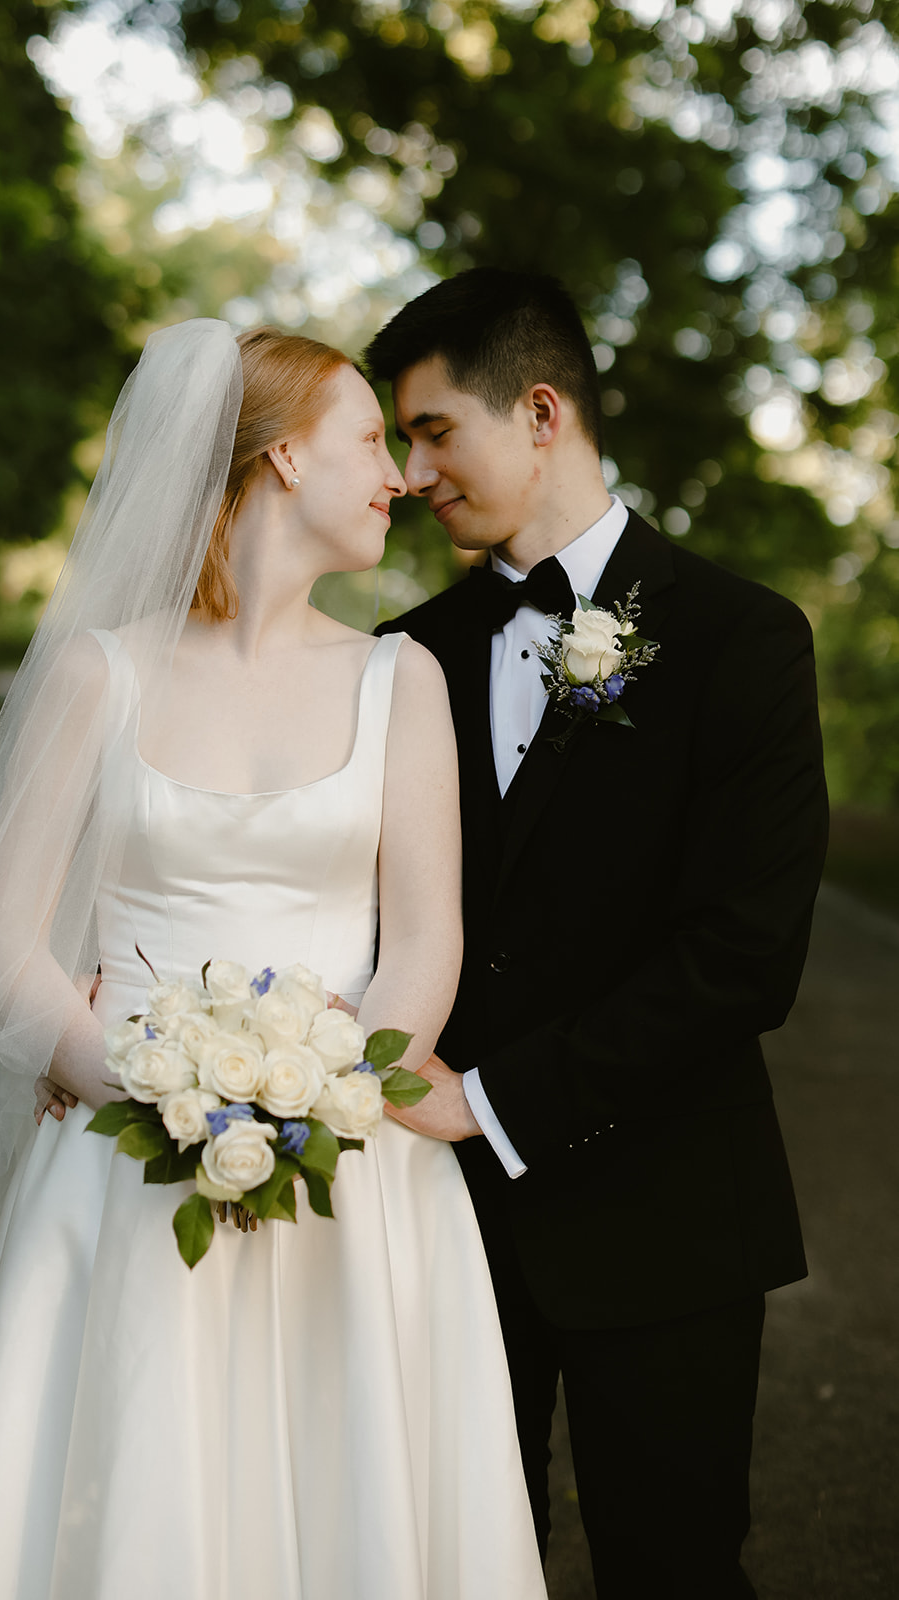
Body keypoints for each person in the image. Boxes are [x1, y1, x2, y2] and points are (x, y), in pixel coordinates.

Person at [0, 320, 547, 1600]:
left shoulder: (399, 679)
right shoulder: (102, 673)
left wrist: (330, 1088)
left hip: (352, 1168)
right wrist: (136, 1081)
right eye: (369, 439)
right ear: (277, 461)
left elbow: (426, 936)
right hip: (123, 1160)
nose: (398, 476)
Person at [368, 267, 829, 1598]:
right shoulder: (406, 656)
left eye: (434, 429)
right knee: (449, 1565)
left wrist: (496, 1102)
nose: (411, 471)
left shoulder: (743, 640)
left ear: (542, 412)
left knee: (673, 1569)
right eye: (400, 441)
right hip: (439, 1226)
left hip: (668, 1215)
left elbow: (743, 957)